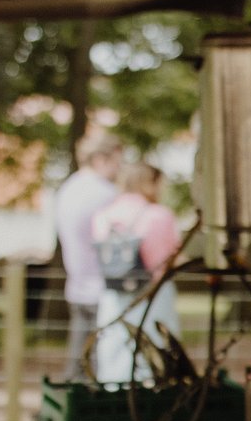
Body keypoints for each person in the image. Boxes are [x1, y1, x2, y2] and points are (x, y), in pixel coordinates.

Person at [91, 162, 181, 384]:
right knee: (154, 340)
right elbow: (167, 256)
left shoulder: (104, 215)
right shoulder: (158, 215)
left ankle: (113, 387)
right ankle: (152, 386)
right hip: (152, 289)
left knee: (113, 341)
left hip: (113, 289)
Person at [54, 134, 124, 381]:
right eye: (116, 162)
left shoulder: (68, 188)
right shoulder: (105, 193)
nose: (119, 169)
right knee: (101, 365)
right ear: (100, 159)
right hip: (102, 288)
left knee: (77, 361)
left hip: (76, 284)